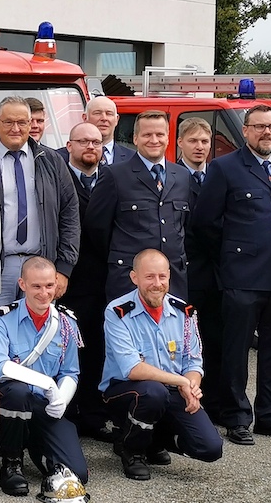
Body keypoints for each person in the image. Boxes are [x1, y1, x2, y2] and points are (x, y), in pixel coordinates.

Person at [190, 104, 271, 446]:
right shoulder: (224, 168)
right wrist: (234, 254)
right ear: (245, 131)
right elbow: (205, 223)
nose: (266, 133)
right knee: (235, 352)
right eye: (259, 127)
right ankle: (236, 416)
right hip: (242, 275)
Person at [0, 96, 80, 339]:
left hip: (42, 267)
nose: (16, 128)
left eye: (22, 122)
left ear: (31, 123)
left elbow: (70, 215)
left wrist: (63, 268)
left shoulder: (51, 161)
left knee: (40, 342)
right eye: (8, 122)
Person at [100, 250, 223, 480]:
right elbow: (133, 369)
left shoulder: (184, 312)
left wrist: (193, 387)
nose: (156, 284)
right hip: (126, 391)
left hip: (172, 390)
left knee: (210, 448)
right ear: (134, 277)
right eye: (149, 277)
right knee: (153, 392)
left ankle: (153, 440)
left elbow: (193, 361)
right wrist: (182, 381)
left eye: (162, 277)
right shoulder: (117, 312)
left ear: (169, 276)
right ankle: (132, 450)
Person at [0, 257, 88, 497]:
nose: (44, 293)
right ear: (22, 284)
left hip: (44, 405)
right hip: (6, 400)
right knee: (18, 393)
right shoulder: (2, 317)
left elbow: (70, 371)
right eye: (37, 286)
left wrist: (61, 398)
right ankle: (11, 465)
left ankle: (35, 446)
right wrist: (47, 383)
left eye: (49, 286)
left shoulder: (66, 322)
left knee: (77, 475)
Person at [84, 110, 192, 302]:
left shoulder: (182, 176)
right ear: (135, 138)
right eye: (147, 135)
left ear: (168, 138)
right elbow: (96, 228)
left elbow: (186, 226)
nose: (154, 140)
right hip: (129, 280)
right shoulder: (114, 175)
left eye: (160, 135)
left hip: (173, 279)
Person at [56, 122, 111, 439]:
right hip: (69, 281)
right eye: (84, 141)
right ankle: (67, 414)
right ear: (69, 145)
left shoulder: (111, 179)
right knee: (68, 351)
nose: (91, 146)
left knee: (97, 351)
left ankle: (94, 415)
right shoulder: (58, 179)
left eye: (97, 141)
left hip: (103, 280)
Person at [177, 117, 222, 421]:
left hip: (217, 272)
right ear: (180, 143)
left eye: (205, 142)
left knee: (217, 342)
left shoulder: (219, 176)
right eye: (193, 141)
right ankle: (183, 401)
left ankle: (216, 403)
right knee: (184, 342)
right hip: (184, 273)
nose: (200, 147)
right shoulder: (170, 176)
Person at [84, 97, 135, 167]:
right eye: (97, 113)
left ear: (116, 119)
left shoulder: (133, 158)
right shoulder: (66, 157)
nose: (104, 118)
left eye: (109, 114)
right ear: (85, 118)